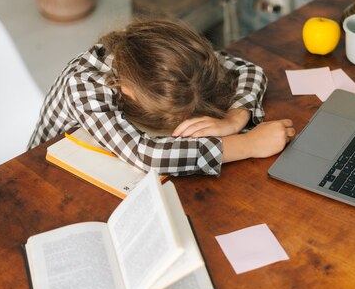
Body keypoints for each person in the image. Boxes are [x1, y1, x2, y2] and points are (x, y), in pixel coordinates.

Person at [28, 19, 295, 176]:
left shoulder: (166, 49)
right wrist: (248, 144)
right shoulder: (83, 86)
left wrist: (236, 117)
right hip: (47, 167)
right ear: (128, 91)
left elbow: (248, 70)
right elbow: (148, 155)